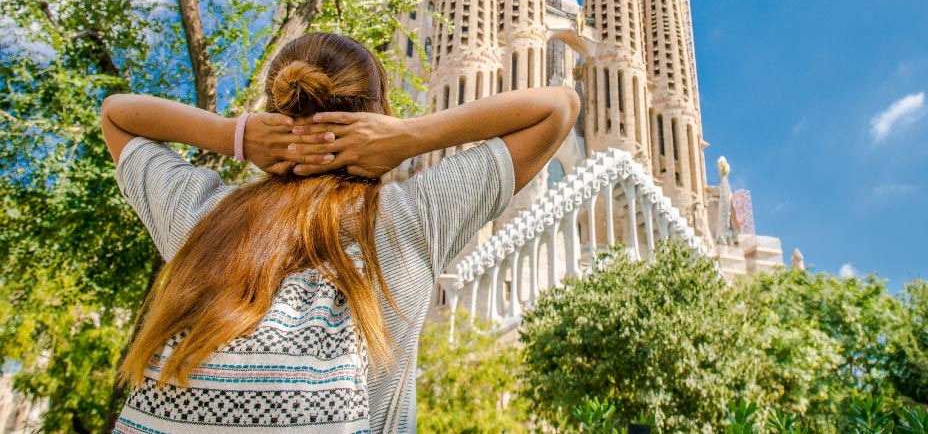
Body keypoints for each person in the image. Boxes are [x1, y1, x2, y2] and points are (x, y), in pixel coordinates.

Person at [100, 31, 579, 434]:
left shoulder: (205, 217)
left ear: (275, 113)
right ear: (375, 117)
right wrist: (408, 137)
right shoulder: (410, 219)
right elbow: (557, 107)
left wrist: (238, 136)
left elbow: (118, 114)